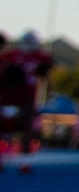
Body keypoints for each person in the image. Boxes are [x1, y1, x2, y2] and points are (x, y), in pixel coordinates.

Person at [0, 31, 47, 169]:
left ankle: (25, 162)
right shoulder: (11, 56)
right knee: (4, 128)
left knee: (26, 129)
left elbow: (44, 72)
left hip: (26, 98)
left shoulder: (39, 57)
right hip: (9, 97)